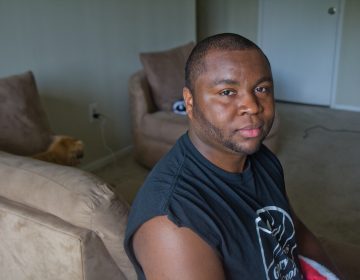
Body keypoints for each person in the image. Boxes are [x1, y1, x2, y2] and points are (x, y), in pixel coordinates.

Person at [124, 33, 339, 279]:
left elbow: (295, 231)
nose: (253, 106)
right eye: (227, 92)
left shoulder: (262, 158)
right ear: (190, 103)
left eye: (261, 88)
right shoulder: (173, 222)